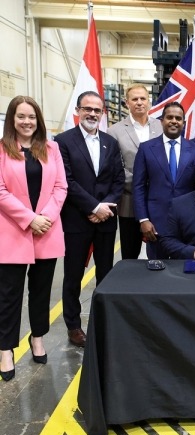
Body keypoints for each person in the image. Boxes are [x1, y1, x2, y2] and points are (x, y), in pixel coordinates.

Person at [0, 96, 68, 380]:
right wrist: (30, 218)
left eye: (31, 117)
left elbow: (61, 187)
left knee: (41, 292)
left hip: (46, 230)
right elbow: (0, 190)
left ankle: (37, 337)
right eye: (21, 116)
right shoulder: (2, 149)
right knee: (8, 295)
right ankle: (5, 349)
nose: (27, 122)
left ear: (38, 120)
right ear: (12, 120)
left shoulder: (52, 148)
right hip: (13, 231)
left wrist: (46, 217)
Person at [54, 91, 125, 347]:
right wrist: (93, 207)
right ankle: (73, 326)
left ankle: (103, 321)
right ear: (78, 110)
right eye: (88, 109)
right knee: (73, 276)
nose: (92, 114)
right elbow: (66, 180)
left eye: (97, 110)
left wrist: (104, 208)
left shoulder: (110, 142)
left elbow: (118, 180)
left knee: (105, 274)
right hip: (76, 219)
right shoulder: (62, 141)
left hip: (106, 220)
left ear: (102, 113)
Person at [132, 102, 195, 259]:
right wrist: (143, 219)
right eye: (170, 117)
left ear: (184, 123)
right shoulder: (146, 148)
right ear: (162, 121)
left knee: (184, 269)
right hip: (155, 225)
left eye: (178, 118)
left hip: (187, 224)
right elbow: (138, 187)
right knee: (157, 269)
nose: (174, 121)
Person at [107, 83, 162, 259]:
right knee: (130, 256)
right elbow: (116, 168)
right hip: (129, 202)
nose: (139, 102)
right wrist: (142, 182)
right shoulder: (114, 131)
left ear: (149, 102)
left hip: (158, 202)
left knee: (160, 254)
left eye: (143, 98)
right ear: (127, 103)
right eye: (134, 99)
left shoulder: (161, 127)